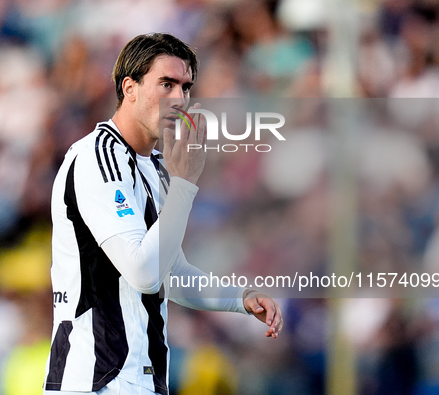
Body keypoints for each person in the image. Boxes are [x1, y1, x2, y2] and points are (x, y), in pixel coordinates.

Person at [43, 33, 283, 395]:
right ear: (130, 88)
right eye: (166, 84)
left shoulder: (156, 167)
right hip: (97, 380)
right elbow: (144, 273)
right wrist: (186, 181)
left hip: (143, 380)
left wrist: (240, 298)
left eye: (185, 87)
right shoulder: (97, 157)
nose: (179, 99)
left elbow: (171, 273)